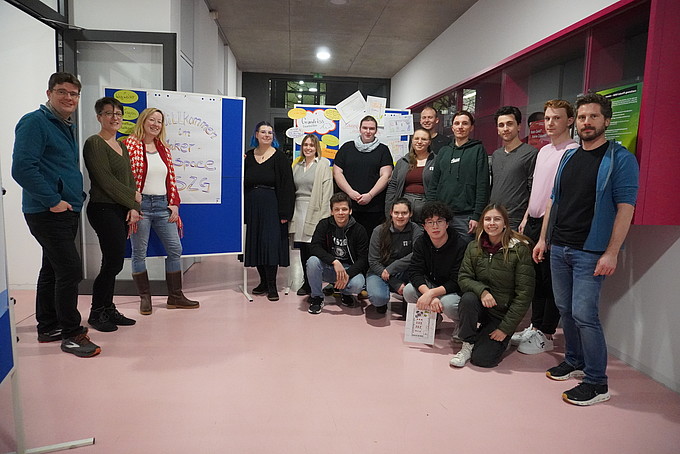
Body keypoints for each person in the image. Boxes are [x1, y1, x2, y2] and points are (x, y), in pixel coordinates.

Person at [533, 93, 639, 406]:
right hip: (559, 247)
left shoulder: (620, 159)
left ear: (606, 121)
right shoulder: (568, 156)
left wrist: (612, 251)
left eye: (593, 117)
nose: (586, 123)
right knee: (565, 309)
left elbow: (625, 207)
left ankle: (597, 381)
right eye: (582, 117)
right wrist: (543, 239)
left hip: (590, 252)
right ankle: (575, 360)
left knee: (584, 315)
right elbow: (554, 199)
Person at [11, 72, 100, 357]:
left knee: (52, 269)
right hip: (47, 210)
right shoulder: (34, 122)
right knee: (70, 270)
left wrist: (76, 197)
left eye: (74, 94)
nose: (69, 98)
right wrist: (53, 200)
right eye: (62, 92)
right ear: (49, 93)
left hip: (65, 209)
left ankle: (48, 325)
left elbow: (59, 166)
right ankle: (73, 334)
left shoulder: (63, 125)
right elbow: (22, 168)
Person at [512, 99, 578, 354]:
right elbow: (537, 189)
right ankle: (535, 326)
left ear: (569, 121)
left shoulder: (570, 152)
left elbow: (557, 196)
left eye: (557, 118)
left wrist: (544, 234)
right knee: (536, 279)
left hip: (553, 225)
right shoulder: (543, 151)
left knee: (551, 282)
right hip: (534, 220)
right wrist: (527, 216)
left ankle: (546, 333)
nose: (550, 123)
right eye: (548, 118)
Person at [125, 108, 199, 313]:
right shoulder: (129, 145)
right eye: (152, 119)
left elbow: (171, 179)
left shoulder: (164, 148)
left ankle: (175, 296)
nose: (156, 124)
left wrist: (174, 203)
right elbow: (124, 179)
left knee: (175, 249)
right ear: (143, 120)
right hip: (140, 207)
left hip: (162, 205)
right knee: (138, 253)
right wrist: (131, 202)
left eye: (159, 121)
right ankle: (145, 298)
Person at [450, 204, 535, 368]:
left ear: (505, 223)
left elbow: (524, 294)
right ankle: (467, 344)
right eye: (488, 219)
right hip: (481, 306)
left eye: (497, 219)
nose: (492, 223)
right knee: (468, 298)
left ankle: (502, 338)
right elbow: (463, 277)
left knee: (482, 360)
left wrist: (505, 328)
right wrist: (482, 292)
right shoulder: (473, 247)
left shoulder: (519, 250)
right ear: (482, 223)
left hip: (502, 314)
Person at [83, 97, 141, 332]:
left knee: (113, 261)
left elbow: (128, 179)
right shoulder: (94, 143)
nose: (114, 117)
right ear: (99, 117)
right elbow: (105, 181)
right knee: (113, 262)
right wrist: (134, 199)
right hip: (103, 208)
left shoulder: (123, 146)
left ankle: (108, 308)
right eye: (109, 113)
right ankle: (97, 312)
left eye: (118, 113)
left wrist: (133, 208)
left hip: (120, 209)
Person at [243, 121, 295, 301]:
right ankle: (263, 282)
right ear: (256, 134)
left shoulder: (280, 158)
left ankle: (272, 286)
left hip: (273, 207)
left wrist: (285, 213)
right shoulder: (248, 157)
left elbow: (287, 187)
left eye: (270, 133)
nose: (267, 135)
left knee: (271, 245)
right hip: (253, 207)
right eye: (263, 132)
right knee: (257, 244)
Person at [404, 201, 467, 332]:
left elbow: (457, 280)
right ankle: (434, 318)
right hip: (431, 284)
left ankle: (461, 325)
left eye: (439, 221)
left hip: (451, 290)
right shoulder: (421, 243)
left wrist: (431, 294)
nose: (435, 226)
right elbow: (415, 272)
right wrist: (429, 294)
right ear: (424, 226)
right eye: (430, 222)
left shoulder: (460, 245)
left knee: (448, 304)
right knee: (408, 291)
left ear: (447, 224)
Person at [426, 110, 489, 242]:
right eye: (457, 123)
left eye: (465, 123)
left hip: (466, 217)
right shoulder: (443, 151)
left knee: (464, 257)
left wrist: (477, 216)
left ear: (471, 127)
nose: (460, 127)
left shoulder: (478, 150)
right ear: (452, 127)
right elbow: (434, 184)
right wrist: (432, 213)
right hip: (441, 216)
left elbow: (482, 185)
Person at [306, 192, 368, 314]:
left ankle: (345, 293)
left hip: (348, 268)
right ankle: (317, 297)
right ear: (331, 211)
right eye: (337, 209)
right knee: (312, 262)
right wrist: (334, 261)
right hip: (329, 266)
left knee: (358, 284)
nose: (340, 213)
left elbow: (363, 259)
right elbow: (314, 247)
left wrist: (347, 274)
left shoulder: (359, 230)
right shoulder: (324, 224)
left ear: (350, 211)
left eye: (344, 209)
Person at [333, 115, 393, 236]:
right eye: (365, 128)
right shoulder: (346, 148)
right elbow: (337, 173)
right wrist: (350, 192)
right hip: (348, 207)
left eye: (371, 128)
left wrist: (370, 195)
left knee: (372, 243)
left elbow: (386, 176)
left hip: (374, 208)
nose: (368, 131)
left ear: (376, 130)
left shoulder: (383, 150)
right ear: (359, 129)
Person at [289, 134, 333, 296]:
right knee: (303, 248)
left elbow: (327, 193)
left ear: (317, 148)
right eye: (305, 145)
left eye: (311, 145)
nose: (308, 148)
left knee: (314, 248)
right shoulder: (297, 166)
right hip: (298, 210)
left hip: (315, 209)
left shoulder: (323, 164)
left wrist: (324, 217)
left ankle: (315, 281)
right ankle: (306, 283)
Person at [366, 198, 423, 314]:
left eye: (404, 213)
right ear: (391, 213)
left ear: (410, 214)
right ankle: (382, 299)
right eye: (396, 213)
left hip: (404, 271)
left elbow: (417, 254)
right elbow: (373, 261)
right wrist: (394, 282)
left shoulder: (415, 229)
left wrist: (392, 268)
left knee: (420, 281)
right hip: (380, 272)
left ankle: (407, 298)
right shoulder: (379, 231)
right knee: (378, 298)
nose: (400, 216)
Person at [489, 106, 538, 230]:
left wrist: (526, 218)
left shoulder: (530, 153)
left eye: (509, 124)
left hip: (516, 220)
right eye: (501, 125)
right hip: (495, 219)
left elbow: (534, 190)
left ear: (519, 126)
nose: (505, 129)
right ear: (497, 129)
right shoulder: (496, 155)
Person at [384, 128, 435, 223]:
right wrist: (389, 211)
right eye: (416, 138)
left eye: (423, 139)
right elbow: (393, 186)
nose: (419, 142)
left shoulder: (436, 161)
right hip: (403, 206)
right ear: (412, 141)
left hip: (426, 206)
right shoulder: (402, 162)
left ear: (429, 142)